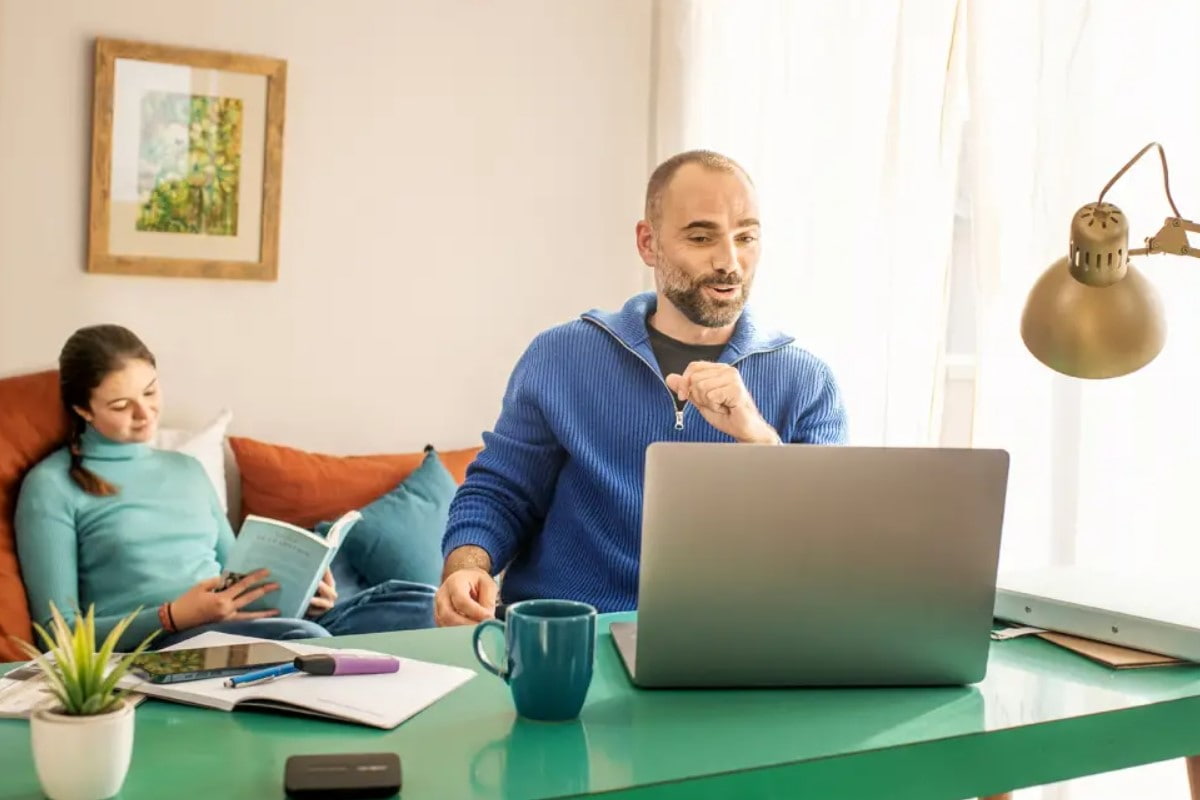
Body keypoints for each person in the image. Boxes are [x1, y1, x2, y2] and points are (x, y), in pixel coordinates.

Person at [434, 149, 849, 626]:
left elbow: (827, 553)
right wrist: (465, 568)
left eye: (746, 237)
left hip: (731, 647)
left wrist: (760, 440)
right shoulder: (560, 356)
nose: (729, 262)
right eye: (701, 236)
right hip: (567, 637)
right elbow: (500, 493)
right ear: (648, 243)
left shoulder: (809, 381)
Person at [15, 325, 436, 651]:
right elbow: (57, 636)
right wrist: (172, 616)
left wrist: (304, 593)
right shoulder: (52, 487)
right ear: (82, 408)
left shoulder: (186, 470)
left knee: (420, 605)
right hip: (159, 649)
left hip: (244, 629)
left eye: (150, 391)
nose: (145, 414)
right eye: (121, 406)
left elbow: (238, 573)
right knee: (301, 641)